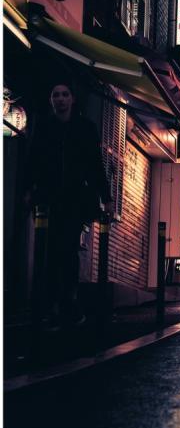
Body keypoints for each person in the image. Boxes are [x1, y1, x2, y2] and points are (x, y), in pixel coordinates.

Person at [24, 81, 113, 329]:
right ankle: (50, 306)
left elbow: (95, 165)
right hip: (48, 198)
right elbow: (33, 159)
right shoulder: (44, 126)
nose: (60, 99)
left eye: (64, 95)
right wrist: (28, 189)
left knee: (68, 250)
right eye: (56, 95)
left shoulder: (86, 128)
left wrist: (106, 197)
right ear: (51, 100)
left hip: (75, 199)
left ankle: (68, 301)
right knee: (49, 251)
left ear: (73, 99)